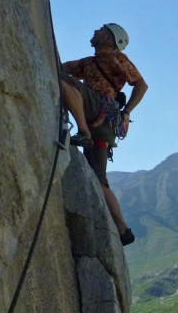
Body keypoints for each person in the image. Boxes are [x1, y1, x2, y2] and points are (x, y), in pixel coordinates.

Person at [58, 23, 148, 246]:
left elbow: (141, 85)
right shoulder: (89, 62)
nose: (95, 31)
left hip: (98, 109)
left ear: (110, 38)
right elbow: (62, 66)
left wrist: (127, 111)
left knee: (64, 82)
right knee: (100, 180)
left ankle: (83, 131)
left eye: (101, 30)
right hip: (102, 123)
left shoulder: (116, 57)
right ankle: (124, 230)